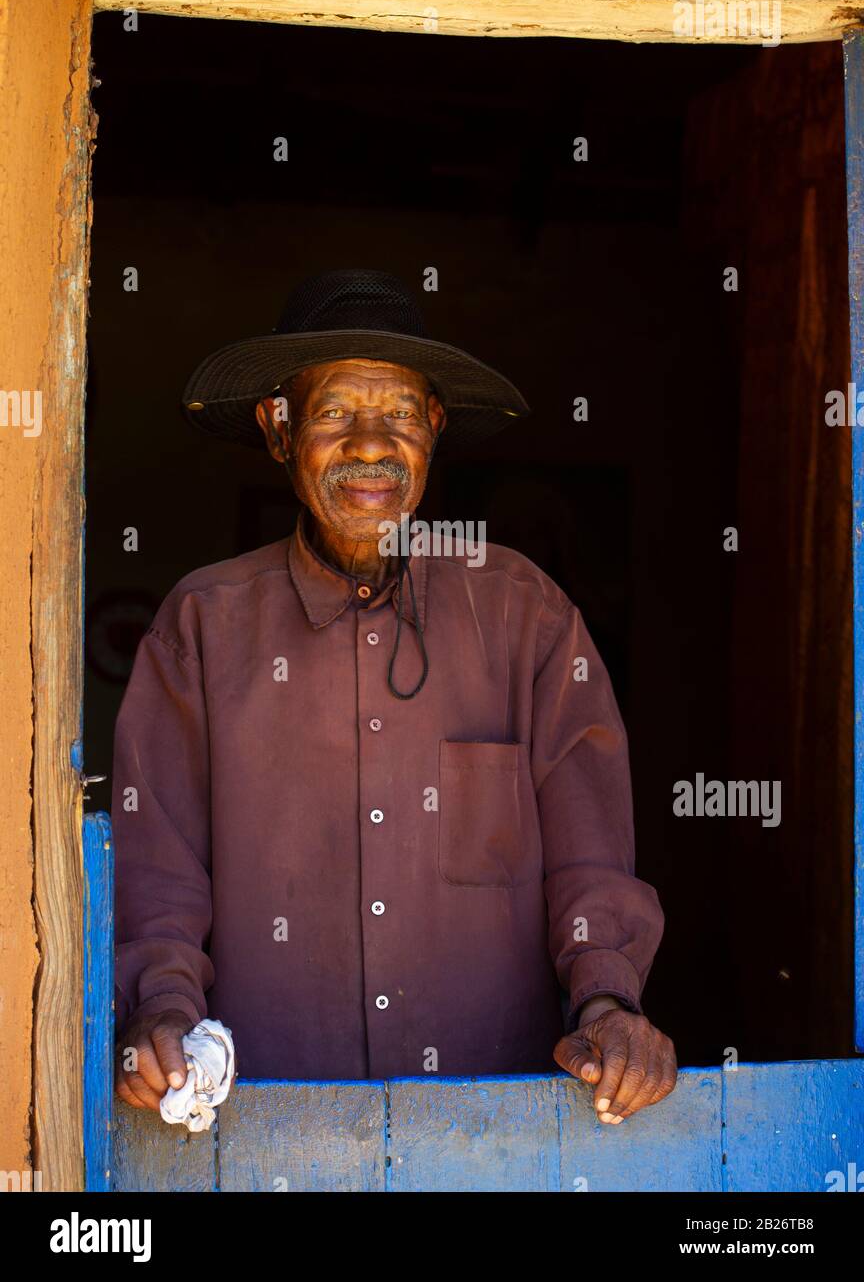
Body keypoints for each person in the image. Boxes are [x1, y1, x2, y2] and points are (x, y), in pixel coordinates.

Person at [113, 268, 677, 1127]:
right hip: (254, 1130)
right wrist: (162, 1013)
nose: (371, 445)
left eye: (402, 415)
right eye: (336, 411)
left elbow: (590, 856)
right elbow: (157, 871)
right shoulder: (202, 627)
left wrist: (608, 1004)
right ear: (279, 428)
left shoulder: (524, 614)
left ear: (434, 431)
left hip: (503, 1134)